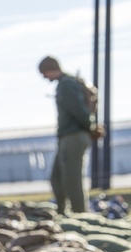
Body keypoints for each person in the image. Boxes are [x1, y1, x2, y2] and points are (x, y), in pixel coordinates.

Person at [38, 56, 95, 215]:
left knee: (72, 182)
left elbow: (79, 111)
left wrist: (89, 127)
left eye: (44, 73)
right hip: (67, 136)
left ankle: (81, 217)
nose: (44, 77)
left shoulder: (66, 85)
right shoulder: (65, 84)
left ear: (50, 69)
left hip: (74, 136)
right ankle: (63, 212)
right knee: (56, 178)